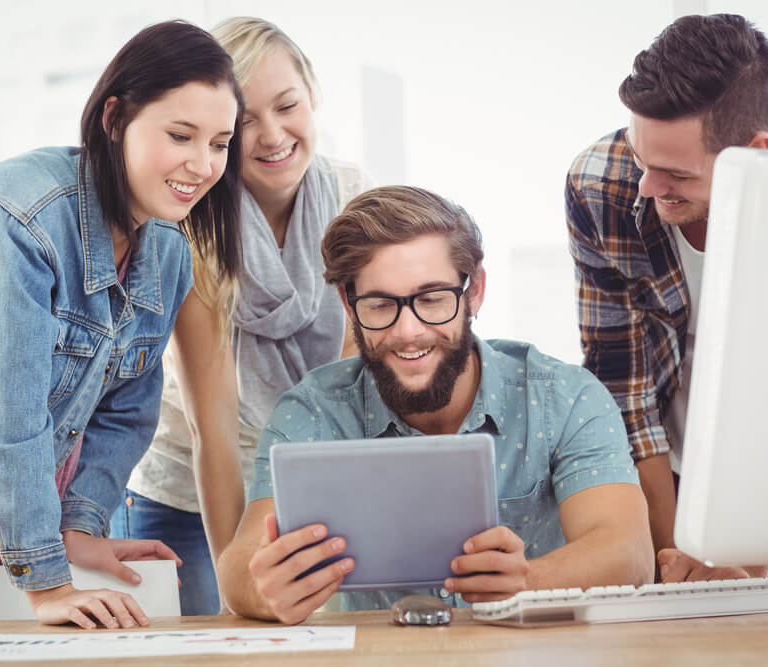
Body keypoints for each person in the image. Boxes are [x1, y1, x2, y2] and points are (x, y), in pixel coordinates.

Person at [0, 20, 244, 629]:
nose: (202, 163)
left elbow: (127, 412)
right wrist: (47, 578)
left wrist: (78, 528)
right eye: (180, 135)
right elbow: (2, 411)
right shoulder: (18, 212)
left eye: (219, 143)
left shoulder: (170, 253)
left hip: (30, 510)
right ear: (115, 119)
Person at [218, 186, 654, 624]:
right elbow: (239, 563)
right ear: (349, 304)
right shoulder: (312, 412)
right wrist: (261, 590)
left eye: (432, 300)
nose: (408, 331)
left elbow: (629, 553)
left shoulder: (565, 397)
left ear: (475, 291)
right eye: (381, 304)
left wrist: (530, 581)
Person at [565, 13, 768, 581]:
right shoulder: (601, 186)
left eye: (675, 174)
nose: (647, 187)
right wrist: (682, 558)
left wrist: (747, 556)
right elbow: (623, 386)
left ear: (757, 151)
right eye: (642, 159)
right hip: (669, 475)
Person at [111, 17, 371, 616]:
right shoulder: (191, 228)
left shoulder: (355, 200)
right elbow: (216, 431)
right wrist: (238, 594)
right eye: (246, 120)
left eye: (288, 106)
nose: (273, 134)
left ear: (313, 98)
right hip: (187, 495)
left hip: (304, 478)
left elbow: (357, 381)